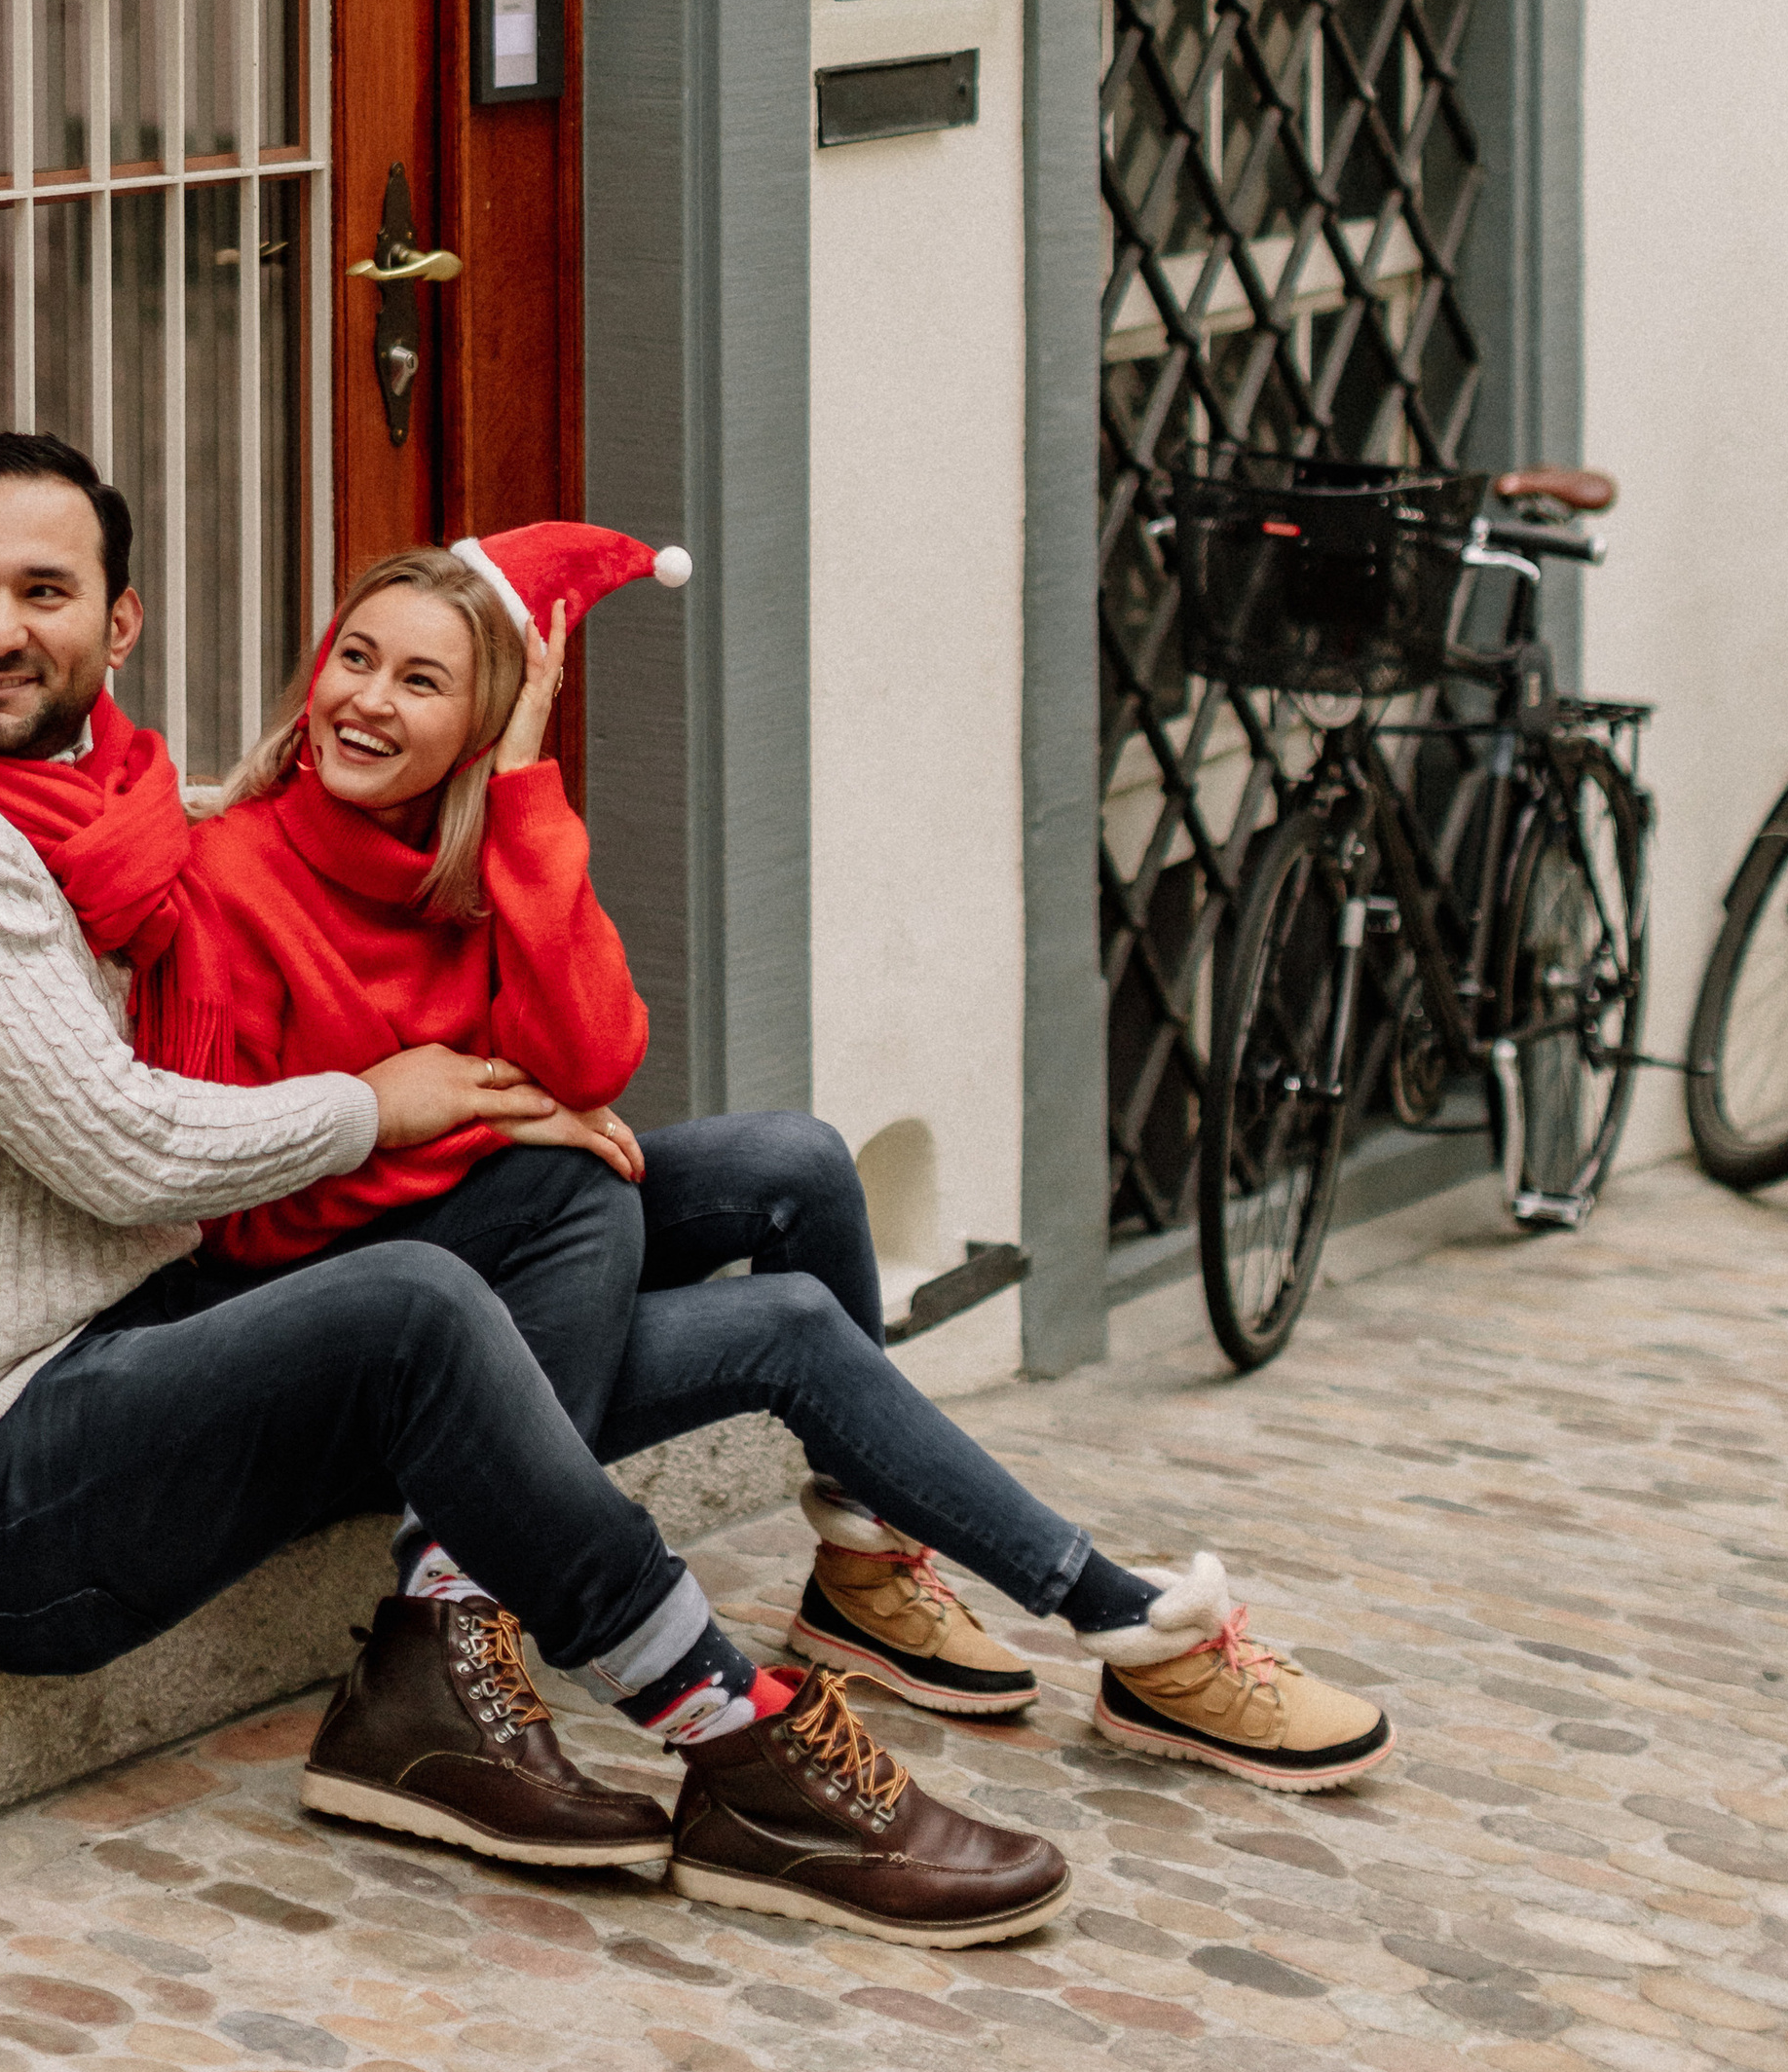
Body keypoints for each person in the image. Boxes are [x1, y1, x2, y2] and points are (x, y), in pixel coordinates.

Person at [0, 434, 1076, 1947]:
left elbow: (300, 921)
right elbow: (121, 1154)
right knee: (416, 1301)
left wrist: (504, 812)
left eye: (42, 592)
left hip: (127, 1349)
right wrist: (379, 1107)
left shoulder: (99, 801)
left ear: (118, 624)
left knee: (630, 1187)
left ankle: (455, 1644)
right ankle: (729, 1737)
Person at [190, 521, 1395, 1795]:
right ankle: (1125, 1624)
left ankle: (869, 1570)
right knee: (675, 1247)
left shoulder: (476, 863)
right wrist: (438, 1111)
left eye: (420, 681)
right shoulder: (231, 876)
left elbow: (594, 1061)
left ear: (485, 725)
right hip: (357, 1349)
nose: (366, 701)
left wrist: (527, 799)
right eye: (355, 658)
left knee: (797, 1161)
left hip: (500, 1276)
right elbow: (237, 1217)